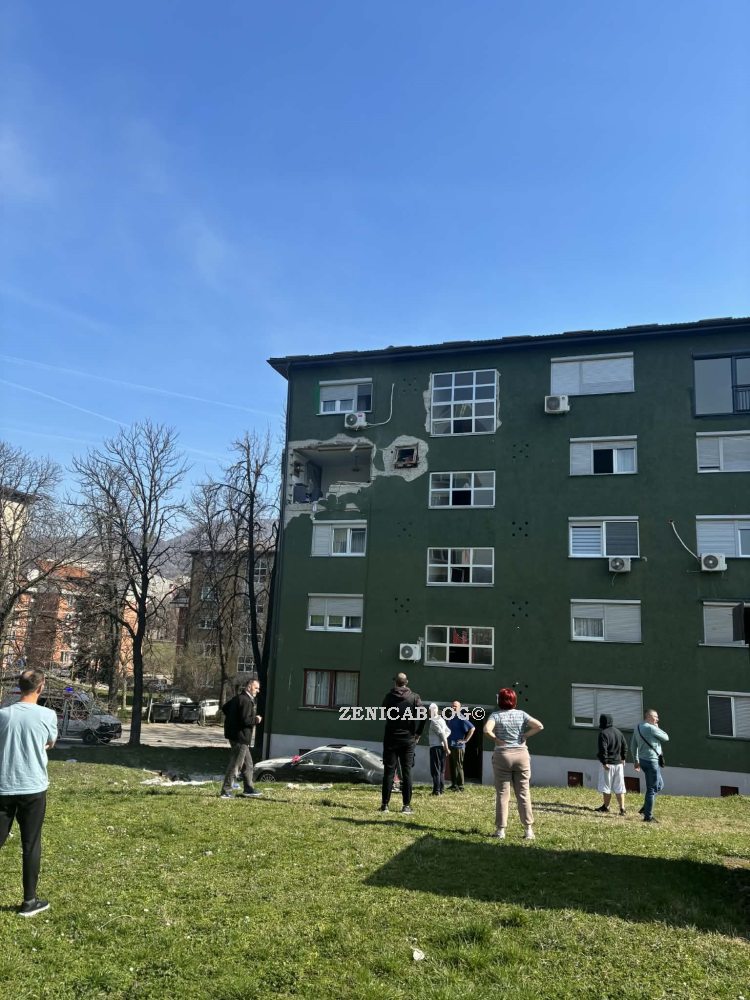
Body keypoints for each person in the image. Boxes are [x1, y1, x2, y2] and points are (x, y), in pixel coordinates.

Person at [0, 668, 58, 916]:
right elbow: (50, 742)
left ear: (19, 687)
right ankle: (29, 901)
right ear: (41, 687)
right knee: (31, 844)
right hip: (33, 787)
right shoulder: (48, 715)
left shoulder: (3, 714)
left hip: (3, 786)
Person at [483, 687, 543, 840]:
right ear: (514, 700)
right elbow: (539, 726)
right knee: (523, 793)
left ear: (500, 700)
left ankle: (500, 830)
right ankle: (528, 830)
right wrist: (525, 735)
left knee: (503, 794)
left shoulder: (495, 715)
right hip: (521, 755)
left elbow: (486, 730)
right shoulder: (522, 714)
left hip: (502, 755)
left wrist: (496, 739)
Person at [380, 672, 425, 814]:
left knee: (389, 772)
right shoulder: (414, 697)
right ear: (406, 682)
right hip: (408, 740)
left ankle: (385, 805)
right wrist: (418, 733)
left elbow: (383, 713)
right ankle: (406, 806)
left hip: (391, 739)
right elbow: (424, 715)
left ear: (395, 682)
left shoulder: (389, 697)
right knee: (407, 772)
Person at [220, 678, 263, 798]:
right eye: (256, 688)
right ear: (249, 687)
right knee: (236, 764)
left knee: (248, 764)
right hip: (241, 737)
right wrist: (256, 719)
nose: (258, 691)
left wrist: (233, 720)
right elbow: (246, 720)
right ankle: (226, 791)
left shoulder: (238, 698)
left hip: (236, 736)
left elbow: (225, 708)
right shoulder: (246, 700)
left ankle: (248, 788)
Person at [631, 709, 669, 822]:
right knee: (652, 789)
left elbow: (633, 745)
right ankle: (648, 817)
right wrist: (657, 727)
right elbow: (666, 737)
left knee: (659, 785)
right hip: (652, 762)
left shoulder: (638, 727)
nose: (658, 719)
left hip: (643, 761)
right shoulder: (651, 728)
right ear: (649, 716)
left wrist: (636, 760)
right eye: (656, 717)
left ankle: (646, 807)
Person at [595, 713, 628, 815]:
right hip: (619, 763)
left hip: (608, 764)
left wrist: (604, 761)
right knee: (620, 787)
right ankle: (622, 809)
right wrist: (623, 758)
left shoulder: (603, 733)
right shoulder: (618, 732)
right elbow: (625, 746)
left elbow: (603, 749)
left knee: (606, 787)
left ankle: (606, 807)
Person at [446, 700, 475, 791]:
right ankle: (454, 784)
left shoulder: (461, 718)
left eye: (455, 706)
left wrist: (465, 740)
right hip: (451, 745)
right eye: (452, 706)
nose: (453, 707)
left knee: (458, 766)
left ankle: (461, 786)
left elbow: (472, 728)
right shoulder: (451, 717)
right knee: (452, 766)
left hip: (458, 746)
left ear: (459, 708)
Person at [426, 703, 450, 795]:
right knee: (441, 770)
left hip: (435, 747)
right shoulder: (441, 719)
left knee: (435, 769)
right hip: (441, 747)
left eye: (429, 711)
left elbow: (442, 734)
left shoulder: (434, 721)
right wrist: (444, 743)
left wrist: (446, 747)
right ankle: (441, 789)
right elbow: (448, 731)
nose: (429, 712)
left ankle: (436, 791)